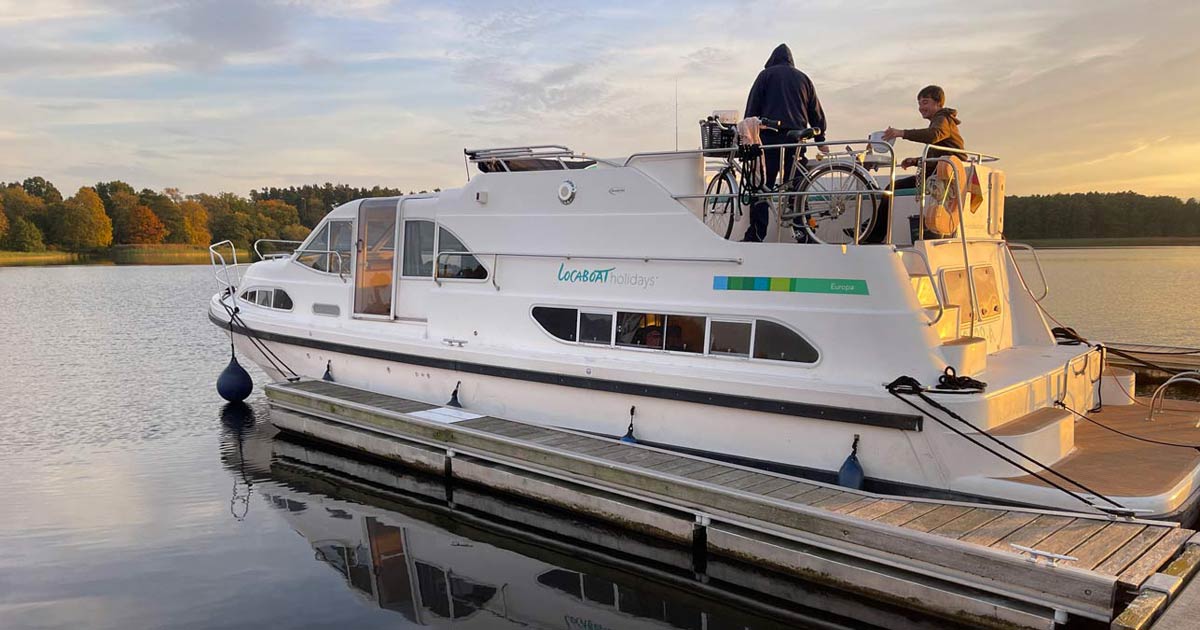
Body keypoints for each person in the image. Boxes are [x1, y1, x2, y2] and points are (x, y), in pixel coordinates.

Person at [742, 44, 827, 242]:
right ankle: (803, 234)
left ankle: (756, 235)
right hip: (795, 142)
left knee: (761, 189)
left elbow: (751, 112)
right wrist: (821, 138)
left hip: (770, 143)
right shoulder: (803, 78)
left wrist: (747, 134)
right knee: (797, 190)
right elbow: (816, 112)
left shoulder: (765, 76)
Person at [877, 85, 964, 240]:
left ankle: (874, 234)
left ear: (938, 103)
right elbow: (938, 151)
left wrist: (901, 133)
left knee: (890, 188)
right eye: (919, 104)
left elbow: (933, 136)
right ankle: (873, 230)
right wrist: (916, 161)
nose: (921, 108)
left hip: (945, 174)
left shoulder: (943, 119)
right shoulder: (941, 120)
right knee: (891, 187)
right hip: (938, 171)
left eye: (925, 102)